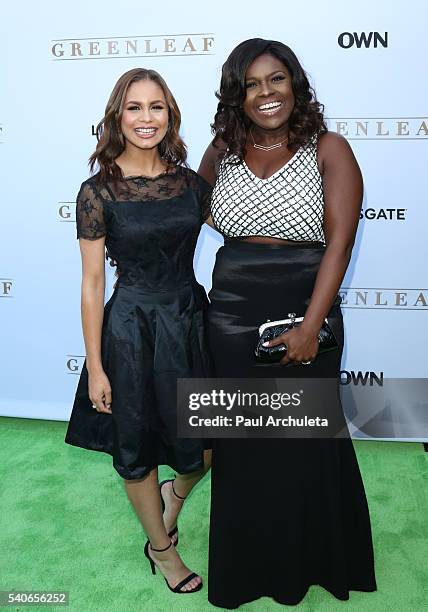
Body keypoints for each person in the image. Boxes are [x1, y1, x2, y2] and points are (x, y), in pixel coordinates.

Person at [198, 39, 377, 607]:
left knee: (306, 441)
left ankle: (317, 561)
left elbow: (340, 244)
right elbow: (182, 212)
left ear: (295, 84)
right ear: (237, 93)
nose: (266, 93)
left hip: (308, 311)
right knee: (244, 446)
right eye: (251, 84)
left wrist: (308, 326)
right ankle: (250, 569)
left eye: (276, 80)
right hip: (230, 315)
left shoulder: (329, 148)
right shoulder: (222, 150)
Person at [65, 67, 213, 594]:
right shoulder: (96, 192)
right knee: (137, 449)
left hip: (191, 321)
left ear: (169, 113)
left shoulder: (193, 183)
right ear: (117, 117)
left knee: (211, 444)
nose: (145, 118)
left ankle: (174, 497)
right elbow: (90, 283)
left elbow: (244, 229)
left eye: (155, 106)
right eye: (134, 107)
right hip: (130, 330)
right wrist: (97, 366)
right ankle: (162, 549)